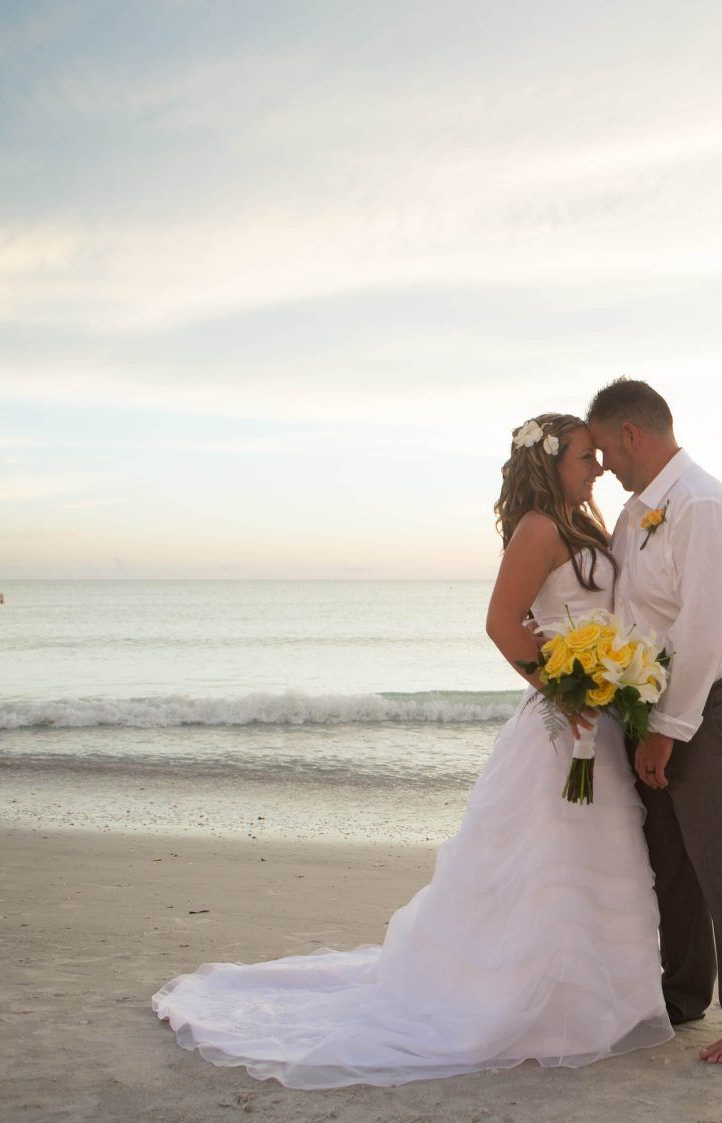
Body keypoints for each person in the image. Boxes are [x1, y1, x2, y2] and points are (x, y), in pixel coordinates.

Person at [152, 414, 672, 1088]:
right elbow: (501, 624)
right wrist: (561, 688)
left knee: (595, 857)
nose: (597, 467)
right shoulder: (540, 529)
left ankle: (589, 1001)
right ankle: (525, 1002)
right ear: (550, 464)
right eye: (584, 457)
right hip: (561, 727)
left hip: (597, 722)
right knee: (546, 862)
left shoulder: (584, 525)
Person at [586, 379, 722, 1065]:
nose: (604, 465)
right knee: (669, 863)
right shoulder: (635, 514)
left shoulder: (704, 505)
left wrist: (669, 728)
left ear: (631, 437)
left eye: (607, 451)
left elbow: (708, 627)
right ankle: (681, 998)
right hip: (656, 704)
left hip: (717, 703)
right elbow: (631, 616)